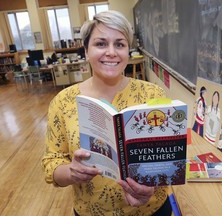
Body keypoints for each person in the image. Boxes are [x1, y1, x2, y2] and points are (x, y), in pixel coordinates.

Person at [41, 10, 172, 216]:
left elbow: (167, 158)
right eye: (101, 43)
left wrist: (151, 188)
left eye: (119, 44)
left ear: (128, 50)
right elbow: (51, 162)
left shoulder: (153, 94)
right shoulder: (63, 101)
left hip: (152, 209)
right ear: (86, 50)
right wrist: (71, 172)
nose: (111, 52)